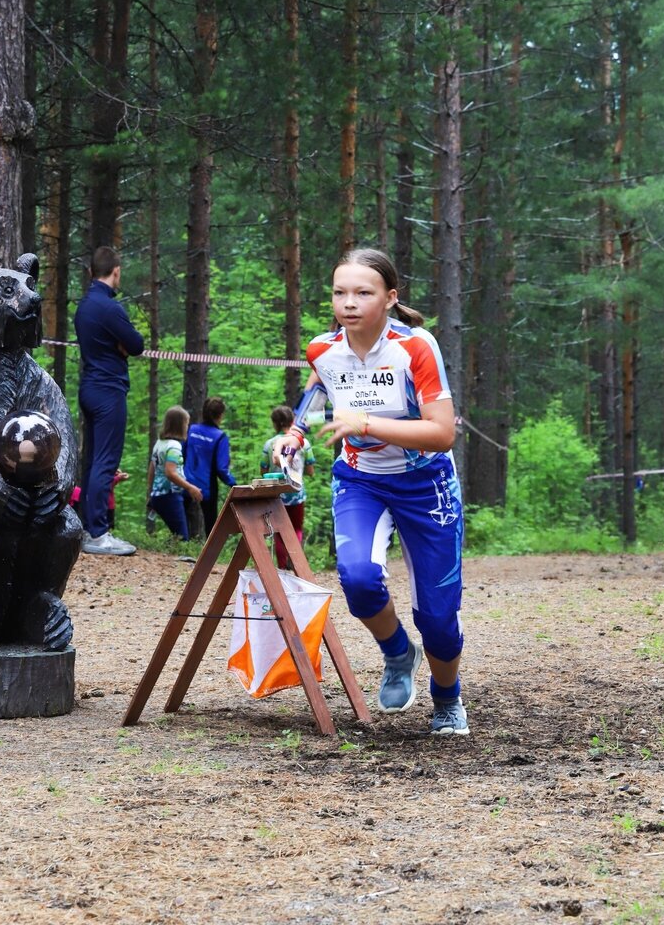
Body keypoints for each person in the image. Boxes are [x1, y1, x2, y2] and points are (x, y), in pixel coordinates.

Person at [274, 248, 468, 737]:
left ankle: (447, 699)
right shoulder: (323, 348)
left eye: (363, 292)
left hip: (427, 485)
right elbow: (321, 386)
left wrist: (366, 421)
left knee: (440, 618)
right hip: (361, 479)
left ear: (390, 298)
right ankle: (399, 653)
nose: (349, 302)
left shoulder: (415, 347)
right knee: (358, 581)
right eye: (340, 292)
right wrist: (295, 435)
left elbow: (443, 432)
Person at [73, 246, 144, 556]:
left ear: (92, 271)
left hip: (89, 386)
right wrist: (122, 344)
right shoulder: (110, 309)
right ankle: (99, 533)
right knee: (105, 461)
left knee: (91, 461)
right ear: (115, 270)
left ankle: (88, 528)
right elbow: (137, 344)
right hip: (108, 389)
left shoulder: (85, 306)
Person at [260, 405, 316, 568]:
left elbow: (263, 469)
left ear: (274, 423)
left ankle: (282, 566)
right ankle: (296, 561)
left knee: (278, 532)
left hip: (277, 494)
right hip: (297, 493)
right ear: (293, 421)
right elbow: (311, 471)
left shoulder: (270, 444)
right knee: (297, 528)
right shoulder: (304, 443)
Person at [183, 397, 237, 538]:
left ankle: (180, 548)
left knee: (181, 522)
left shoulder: (191, 430)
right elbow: (221, 468)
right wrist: (234, 483)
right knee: (210, 525)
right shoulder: (220, 437)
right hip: (207, 486)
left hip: (184, 483)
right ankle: (210, 555)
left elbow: (181, 454)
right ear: (220, 415)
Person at [147, 406, 203, 541]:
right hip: (169, 496)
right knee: (182, 538)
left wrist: (150, 493)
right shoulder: (174, 446)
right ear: (180, 425)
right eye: (186, 424)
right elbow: (170, 473)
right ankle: (177, 560)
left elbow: (152, 469)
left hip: (158, 495)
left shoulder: (160, 443)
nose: (187, 427)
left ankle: (167, 555)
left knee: (176, 534)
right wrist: (190, 487)